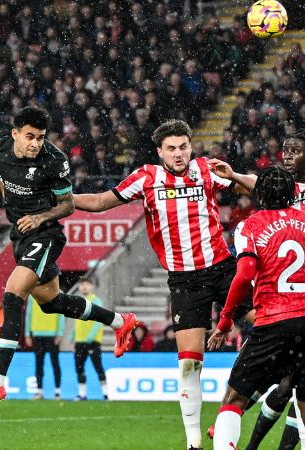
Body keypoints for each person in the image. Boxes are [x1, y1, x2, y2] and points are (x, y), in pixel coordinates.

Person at [73, 119, 257, 450]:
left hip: (222, 269)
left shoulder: (207, 169)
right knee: (189, 363)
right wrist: (64, 200)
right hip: (185, 282)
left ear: (191, 147)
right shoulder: (145, 178)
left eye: (183, 146)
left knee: (270, 326)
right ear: (160, 152)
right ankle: (194, 443)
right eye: (171, 148)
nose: (178, 154)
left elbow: (260, 187)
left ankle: (245, 397)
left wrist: (234, 176)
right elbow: (101, 202)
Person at [0, 107, 136, 405]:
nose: (35, 144)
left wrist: (39, 218)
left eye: (41, 137)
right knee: (52, 303)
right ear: (15, 134)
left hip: (45, 234)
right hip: (19, 235)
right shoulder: (0, 142)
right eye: (30, 137)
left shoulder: (54, 160)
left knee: (13, 291)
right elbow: (0, 163)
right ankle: (120, 321)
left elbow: (67, 205)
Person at [207, 167, 305, 450]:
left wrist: (225, 319)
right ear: (293, 193)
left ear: (259, 194)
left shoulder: (249, 226)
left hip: (273, 319)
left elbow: (244, 274)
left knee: (234, 400)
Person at [69, 277, 108, 401]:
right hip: (80, 341)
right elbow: (78, 320)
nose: (84, 286)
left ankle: (106, 394)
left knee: (98, 367)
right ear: (79, 287)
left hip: (92, 342)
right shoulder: (78, 301)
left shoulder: (96, 301)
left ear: (91, 286)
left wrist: (91, 335)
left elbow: (99, 320)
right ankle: (82, 394)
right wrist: (73, 333)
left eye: (87, 284)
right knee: (79, 367)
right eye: (82, 284)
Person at [24, 294, 64, 400]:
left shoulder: (56, 291)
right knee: (39, 363)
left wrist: (60, 332)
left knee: (55, 363)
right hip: (37, 334)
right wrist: (27, 333)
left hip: (52, 334)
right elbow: (29, 314)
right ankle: (39, 391)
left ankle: (57, 392)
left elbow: (61, 313)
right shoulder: (32, 295)